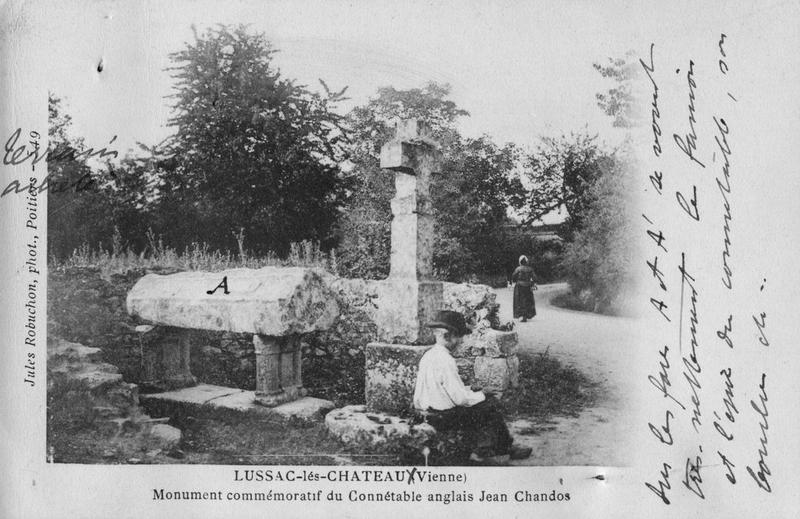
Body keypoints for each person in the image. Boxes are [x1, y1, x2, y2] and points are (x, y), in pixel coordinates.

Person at [413, 310, 532, 464]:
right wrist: (482, 394)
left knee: (478, 401)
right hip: (442, 417)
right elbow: (460, 399)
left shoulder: (428, 355)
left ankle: (484, 445)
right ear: (449, 336)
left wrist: (471, 390)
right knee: (489, 405)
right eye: (459, 338)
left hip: (424, 411)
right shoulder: (446, 360)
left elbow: (442, 391)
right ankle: (503, 447)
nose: (460, 342)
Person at [511, 255, 537, 322]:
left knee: (520, 301)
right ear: (526, 262)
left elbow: (513, 277)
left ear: (520, 262)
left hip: (519, 286)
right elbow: (535, 278)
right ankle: (527, 315)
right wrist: (532, 283)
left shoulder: (518, 269)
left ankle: (523, 316)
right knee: (528, 300)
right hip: (528, 286)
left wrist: (515, 281)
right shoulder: (530, 269)